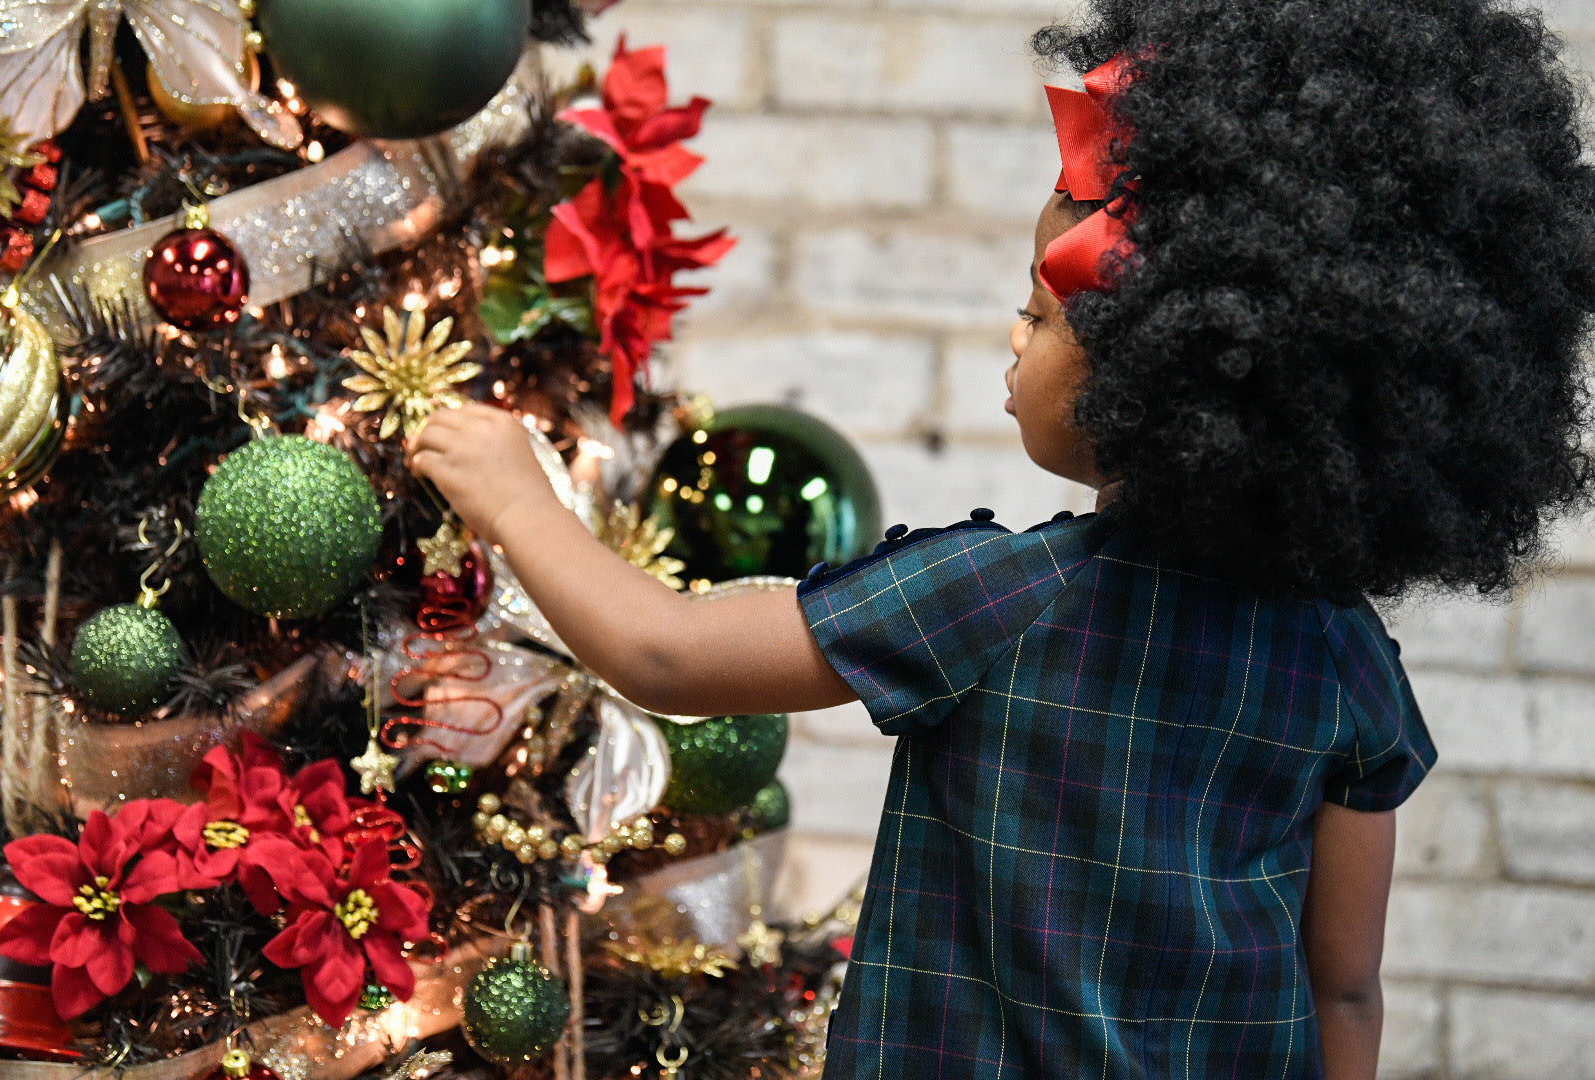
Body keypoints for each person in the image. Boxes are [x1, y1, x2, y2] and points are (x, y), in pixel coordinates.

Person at [409, 0, 1595, 1075]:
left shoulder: (994, 600)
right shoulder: (1346, 663)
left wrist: (517, 498)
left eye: (1039, 306)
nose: (1010, 333)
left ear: (1162, 371)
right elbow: (1344, 985)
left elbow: (665, 656)